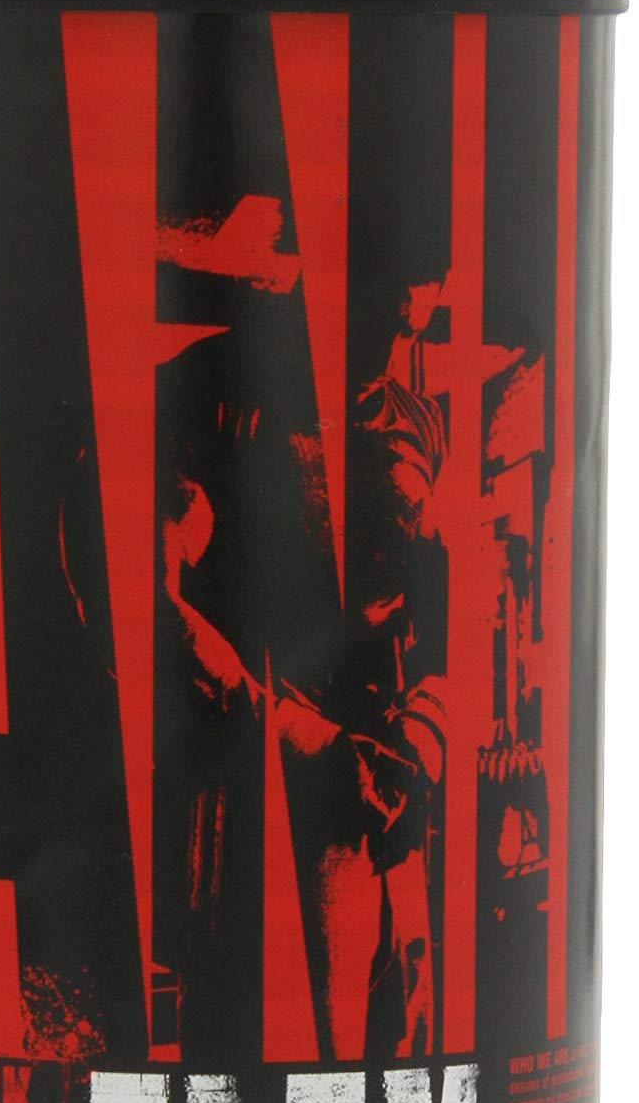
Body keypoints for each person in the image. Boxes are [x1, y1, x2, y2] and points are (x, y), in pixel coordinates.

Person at [162, 375, 447, 1060]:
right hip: (279, 795)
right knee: (283, 1046)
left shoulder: (417, 451)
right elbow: (167, 623)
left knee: (398, 1046)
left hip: (378, 810)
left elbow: (444, 654)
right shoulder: (224, 415)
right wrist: (298, 735)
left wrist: (421, 741)